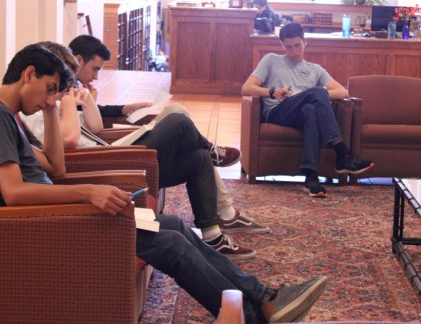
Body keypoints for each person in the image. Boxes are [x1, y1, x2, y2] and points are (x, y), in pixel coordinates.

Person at [0, 43, 329, 324]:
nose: (52, 97)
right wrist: (89, 192)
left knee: (172, 224)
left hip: (60, 213)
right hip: (52, 225)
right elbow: (12, 193)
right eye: (50, 88)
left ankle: (262, 297)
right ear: (28, 74)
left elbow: (55, 167)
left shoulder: (9, 118)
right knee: (168, 243)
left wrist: (50, 110)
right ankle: (252, 313)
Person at [19, 41, 270, 260]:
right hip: (104, 164)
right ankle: (213, 151)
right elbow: (70, 140)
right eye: (60, 83)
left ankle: (212, 235)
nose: (65, 87)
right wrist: (69, 105)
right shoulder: (35, 111)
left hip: (110, 152)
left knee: (198, 158)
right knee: (178, 120)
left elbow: (94, 127)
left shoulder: (59, 103)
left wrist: (85, 98)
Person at [241, 23, 374, 198]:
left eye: (297, 45)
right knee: (317, 93)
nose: (294, 51)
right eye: (288, 47)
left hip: (301, 114)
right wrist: (272, 92)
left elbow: (343, 92)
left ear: (305, 42)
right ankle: (343, 154)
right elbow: (247, 88)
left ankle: (311, 178)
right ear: (283, 46)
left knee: (311, 109)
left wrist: (315, 93)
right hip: (276, 112)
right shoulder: (271, 59)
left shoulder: (315, 69)